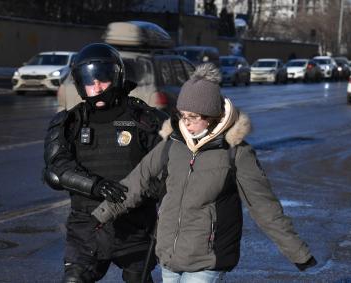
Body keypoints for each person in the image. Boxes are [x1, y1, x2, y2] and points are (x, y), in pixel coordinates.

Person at [92, 63, 317, 282]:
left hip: (208, 258)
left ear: (212, 116)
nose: (185, 123)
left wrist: (297, 252)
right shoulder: (172, 144)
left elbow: (263, 206)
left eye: (193, 117)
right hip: (170, 255)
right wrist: (100, 215)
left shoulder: (235, 152)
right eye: (182, 115)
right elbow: (137, 181)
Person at [42, 43, 168, 283]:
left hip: (135, 223)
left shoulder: (144, 120)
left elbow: (167, 168)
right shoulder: (70, 122)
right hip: (86, 224)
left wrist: (137, 193)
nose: (96, 87)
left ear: (116, 77)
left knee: (137, 278)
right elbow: (57, 166)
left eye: (102, 80)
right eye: (90, 82)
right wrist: (96, 186)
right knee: (75, 279)